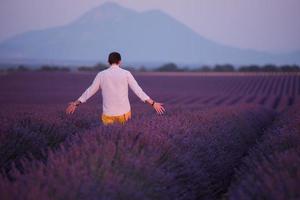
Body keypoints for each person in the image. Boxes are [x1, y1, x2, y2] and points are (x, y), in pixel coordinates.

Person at [66, 52, 165, 125]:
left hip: (108, 115)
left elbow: (90, 91)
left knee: (109, 140)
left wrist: (76, 103)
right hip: (124, 114)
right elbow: (138, 91)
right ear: (120, 62)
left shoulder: (101, 75)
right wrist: (153, 103)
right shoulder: (126, 74)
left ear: (108, 62)